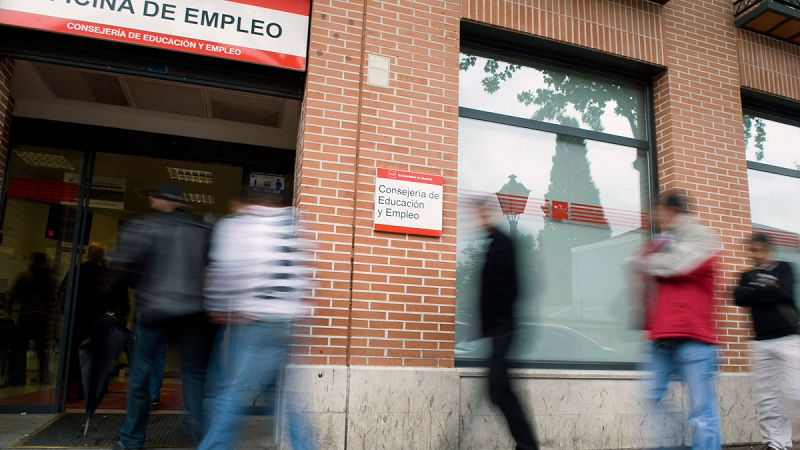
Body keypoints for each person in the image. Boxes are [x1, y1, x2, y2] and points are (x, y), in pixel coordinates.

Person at [198, 196, 314, 450]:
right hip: (288, 323)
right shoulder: (291, 224)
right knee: (283, 397)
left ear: (243, 203)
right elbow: (304, 278)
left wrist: (218, 306)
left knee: (232, 393)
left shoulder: (242, 225)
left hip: (257, 322)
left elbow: (229, 270)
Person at [112, 183, 213, 450]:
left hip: (153, 311)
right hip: (193, 312)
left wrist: (141, 286)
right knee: (193, 375)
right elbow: (212, 267)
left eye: (152, 197)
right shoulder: (201, 229)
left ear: (158, 200)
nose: (150, 202)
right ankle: (200, 437)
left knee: (141, 376)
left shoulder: (144, 226)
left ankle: (131, 439)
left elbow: (126, 267)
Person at [630, 191, 721, 450]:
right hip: (662, 336)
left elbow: (676, 265)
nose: (655, 218)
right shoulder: (660, 242)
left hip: (695, 337)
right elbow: (643, 279)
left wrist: (645, 261)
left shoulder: (702, 237)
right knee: (653, 396)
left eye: (658, 212)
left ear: (672, 210)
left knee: (702, 411)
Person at [473, 197, 539, 450]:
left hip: (504, 329)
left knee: (498, 390)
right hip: (497, 331)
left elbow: (512, 287)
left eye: (481, 215)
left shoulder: (504, 243)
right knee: (501, 390)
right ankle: (526, 444)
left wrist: (501, 327)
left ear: (490, 215)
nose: (479, 220)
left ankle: (527, 445)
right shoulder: (492, 243)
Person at [734, 233, 800, 450]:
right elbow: (739, 297)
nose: (755, 255)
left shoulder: (784, 268)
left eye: (758, 250)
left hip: (788, 338)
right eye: (751, 251)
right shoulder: (747, 275)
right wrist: (767, 290)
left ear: (768, 249)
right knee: (767, 397)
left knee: (795, 391)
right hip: (761, 342)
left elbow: (785, 293)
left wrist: (757, 292)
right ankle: (776, 443)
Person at [10, 252, 56, 386]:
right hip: (43, 317)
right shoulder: (49, 279)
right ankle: (43, 376)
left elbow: (14, 295)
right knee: (41, 349)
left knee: (20, 349)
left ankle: (19, 377)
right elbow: (52, 301)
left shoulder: (25, 277)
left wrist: (10, 309)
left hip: (26, 315)